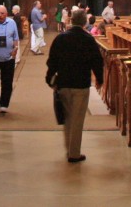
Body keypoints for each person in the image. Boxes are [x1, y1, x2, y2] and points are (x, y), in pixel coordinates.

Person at [46, 9, 104, 163]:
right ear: (84, 22)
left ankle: (69, 149)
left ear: (71, 21)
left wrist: (49, 78)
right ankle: (74, 153)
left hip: (63, 82)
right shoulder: (88, 39)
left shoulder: (61, 38)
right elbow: (97, 61)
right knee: (77, 119)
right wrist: (99, 78)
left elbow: (52, 60)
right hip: (81, 84)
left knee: (68, 118)